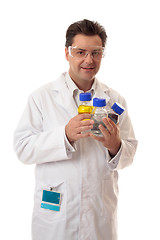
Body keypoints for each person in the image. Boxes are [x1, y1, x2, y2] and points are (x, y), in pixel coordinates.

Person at [14, 19, 138, 240]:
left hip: (99, 216)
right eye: (80, 52)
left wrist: (115, 147)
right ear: (67, 53)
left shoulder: (115, 101)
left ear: (102, 54)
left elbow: (129, 154)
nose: (89, 60)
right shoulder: (42, 98)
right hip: (55, 216)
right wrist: (64, 136)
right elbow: (22, 148)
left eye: (96, 52)